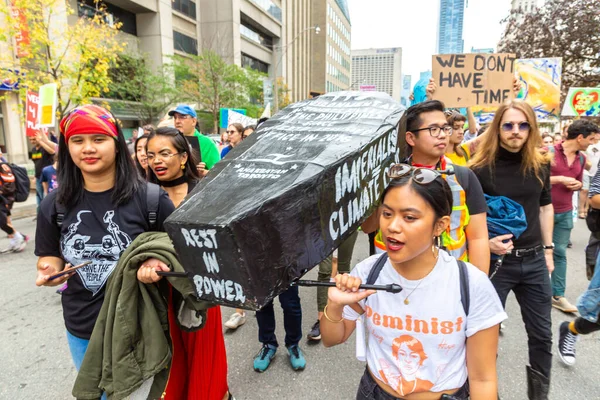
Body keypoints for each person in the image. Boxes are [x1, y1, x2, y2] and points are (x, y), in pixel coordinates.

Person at [321, 166, 506, 399]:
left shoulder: (470, 284)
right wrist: (335, 305)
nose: (393, 226)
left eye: (409, 217)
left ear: (440, 225)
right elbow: (331, 338)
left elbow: (483, 379)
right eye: (387, 214)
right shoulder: (369, 273)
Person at [34, 105, 176, 377]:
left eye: (98, 139)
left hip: (139, 325)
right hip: (82, 327)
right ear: (67, 147)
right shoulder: (54, 204)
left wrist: (157, 259)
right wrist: (50, 271)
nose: (88, 148)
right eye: (78, 140)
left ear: (117, 145)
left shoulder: (151, 199)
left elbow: (176, 246)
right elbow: (50, 256)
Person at [469, 100, 554, 399]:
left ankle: (538, 396)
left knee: (542, 336)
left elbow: (545, 206)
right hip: (496, 264)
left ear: (531, 129)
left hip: (534, 262)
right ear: (498, 129)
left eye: (522, 125)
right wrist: (485, 244)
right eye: (508, 125)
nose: (515, 131)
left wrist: (548, 250)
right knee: (484, 338)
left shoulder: (541, 163)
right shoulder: (478, 169)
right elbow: (468, 218)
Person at [143, 126, 229, 400]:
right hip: (158, 290)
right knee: (169, 359)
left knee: (205, 357)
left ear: (183, 158)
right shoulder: (141, 196)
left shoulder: (206, 191)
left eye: (164, 153)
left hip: (200, 290)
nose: (156, 160)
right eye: (150, 154)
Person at [362, 100, 490, 274]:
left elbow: (478, 237)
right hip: (392, 278)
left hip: (448, 278)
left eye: (445, 128)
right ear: (410, 138)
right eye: (433, 129)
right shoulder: (389, 175)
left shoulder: (463, 177)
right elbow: (367, 227)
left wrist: (476, 287)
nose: (443, 135)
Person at [549, 120, 599, 313]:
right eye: (591, 139)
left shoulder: (581, 159)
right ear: (580, 137)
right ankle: (534, 292)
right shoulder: (548, 152)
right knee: (535, 254)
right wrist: (559, 179)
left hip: (565, 212)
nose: (592, 144)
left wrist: (577, 185)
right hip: (541, 212)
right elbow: (533, 178)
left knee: (560, 253)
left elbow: (581, 181)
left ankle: (557, 296)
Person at [307, 231, 359, 341]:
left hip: (347, 221)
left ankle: (342, 316)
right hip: (323, 224)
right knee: (325, 271)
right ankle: (321, 321)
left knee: (344, 269)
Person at [168, 105, 220, 177]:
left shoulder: (207, 143)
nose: (177, 121)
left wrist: (204, 173)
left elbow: (219, 173)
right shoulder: (170, 141)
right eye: (175, 117)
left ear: (193, 121)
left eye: (182, 117)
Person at [0, 161, 28, 252]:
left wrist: (1, 191)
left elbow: (9, 180)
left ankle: (18, 237)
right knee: (5, 221)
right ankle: (15, 240)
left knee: (3, 221)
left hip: (5, 198)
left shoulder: (3, 166)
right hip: (4, 198)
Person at [29, 129, 56, 215]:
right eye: (31, 140)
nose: (33, 141)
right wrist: (34, 176)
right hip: (38, 176)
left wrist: (41, 142)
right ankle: (41, 214)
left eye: (34, 139)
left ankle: (48, 213)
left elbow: (52, 151)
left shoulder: (44, 148)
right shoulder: (33, 150)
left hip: (47, 176)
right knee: (39, 196)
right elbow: (35, 163)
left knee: (46, 196)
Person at [579, 132, 600, 218]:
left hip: (595, 170)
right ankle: (581, 209)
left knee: (590, 191)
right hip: (586, 171)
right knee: (585, 190)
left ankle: (587, 208)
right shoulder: (588, 144)